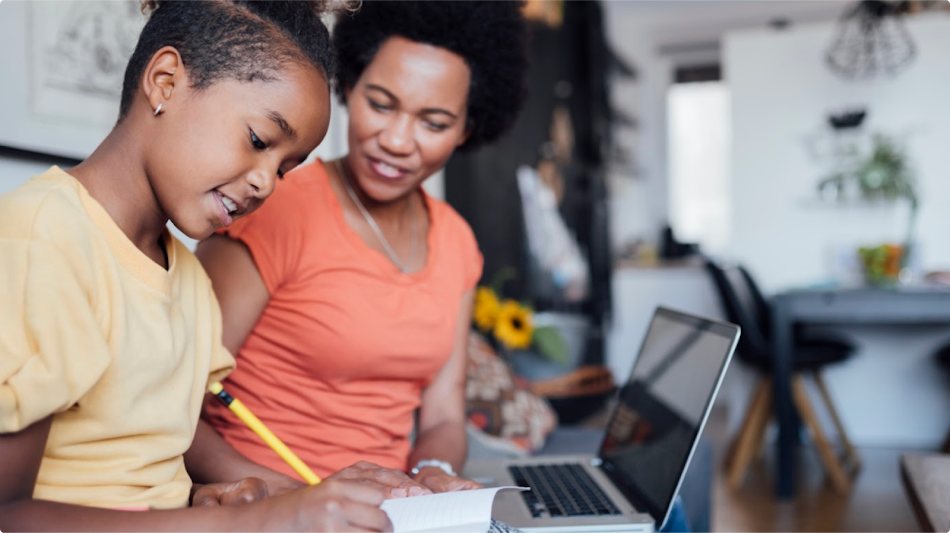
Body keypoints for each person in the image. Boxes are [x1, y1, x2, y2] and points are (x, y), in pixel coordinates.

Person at [0, 0, 419, 531]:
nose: (266, 182)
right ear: (166, 81)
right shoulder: (40, 239)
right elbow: (7, 514)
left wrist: (322, 495)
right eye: (259, 141)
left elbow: (161, 436)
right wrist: (258, 522)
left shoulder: (188, 278)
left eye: (285, 169)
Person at [198, 0, 529, 493]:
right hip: (263, 505)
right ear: (349, 86)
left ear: (467, 129)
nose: (396, 140)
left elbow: (441, 415)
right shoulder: (272, 208)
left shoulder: (457, 240)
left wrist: (430, 474)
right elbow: (171, 407)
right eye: (380, 103)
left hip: (388, 513)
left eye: (433, 123)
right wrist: (292, 500)